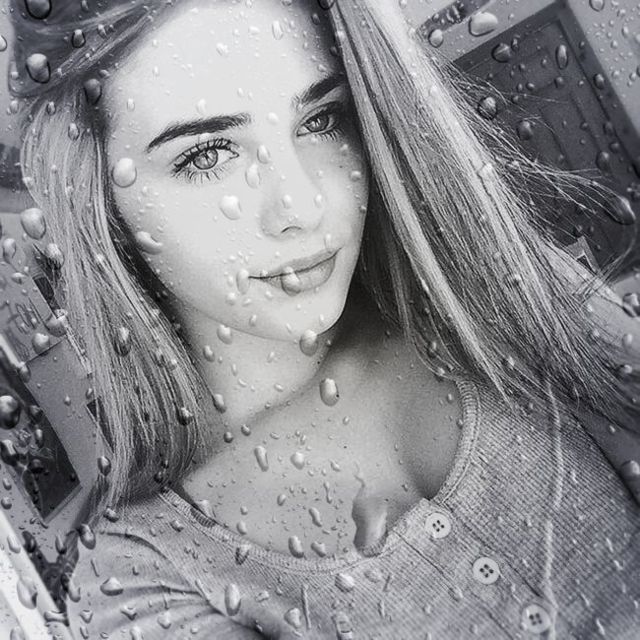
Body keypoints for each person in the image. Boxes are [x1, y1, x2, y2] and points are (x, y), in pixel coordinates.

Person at [7, 0, 640, 638]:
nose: (301, 204)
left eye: (321, 119)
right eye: (207, 155)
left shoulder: (497, 297)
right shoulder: (141, 576)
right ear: (102, 201)